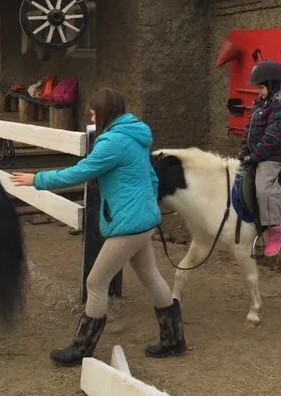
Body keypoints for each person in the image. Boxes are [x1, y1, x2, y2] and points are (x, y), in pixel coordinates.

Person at [10, 88, 186, 367]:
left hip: (129, 223)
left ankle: (82, 349)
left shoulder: (113, 142)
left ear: (105, 112)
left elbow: (80, 172)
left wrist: (37, 180)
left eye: (93, 112)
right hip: (143, 219)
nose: (91, 116)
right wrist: (150, 208)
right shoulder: (136, 135)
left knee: (96, 281)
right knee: (151, 277)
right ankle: (174, 340)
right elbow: (151, 176)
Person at [239, 60, 281, 257]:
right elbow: (250, 128)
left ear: (272, 86)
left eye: (262, 87)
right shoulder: (262, 102)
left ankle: (274, 229)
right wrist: (244, 149)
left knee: (264, 188)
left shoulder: (280, 107)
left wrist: (255, 155)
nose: (259, 91)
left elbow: (273, 136)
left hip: (271, 156)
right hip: (255, 153)